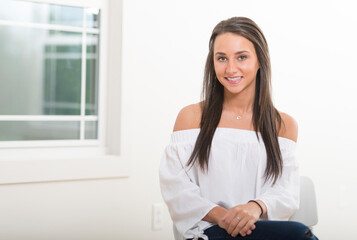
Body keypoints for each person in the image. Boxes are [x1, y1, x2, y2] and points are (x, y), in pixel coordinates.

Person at [159, 17, 319, 240]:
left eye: (242, 57)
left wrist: (254, 207)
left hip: (260, 229)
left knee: (300, 234)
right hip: (209, 231)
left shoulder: (283, 125)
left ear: (259, 61)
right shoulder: (192, 117)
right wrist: (225, 218)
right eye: (221, 58)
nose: (231, 69)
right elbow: (177, 188)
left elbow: (286, 191)